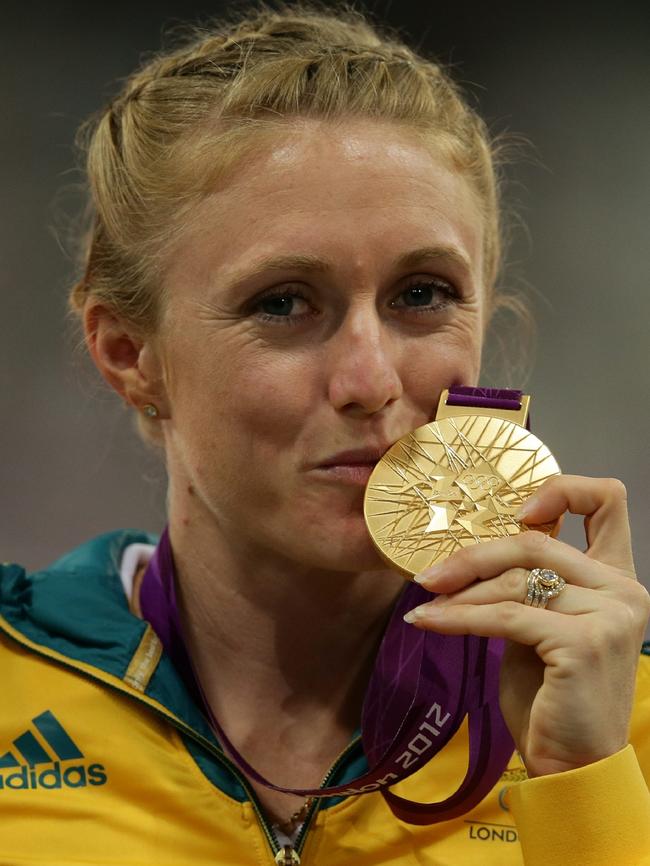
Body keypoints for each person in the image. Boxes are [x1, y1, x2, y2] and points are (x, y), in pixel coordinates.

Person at [1, 5, 649, 864]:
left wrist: (583, 782)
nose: (370, 381)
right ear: (129, 353)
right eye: (282, 303)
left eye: (421, 295)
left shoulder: (618, 714)